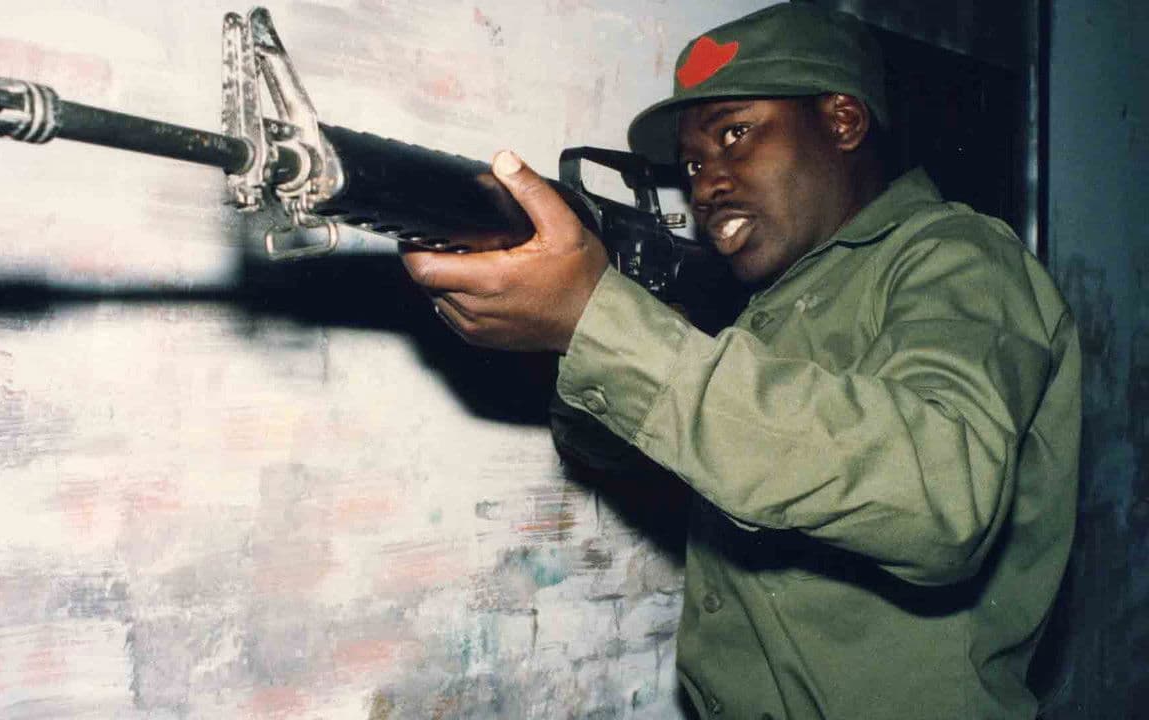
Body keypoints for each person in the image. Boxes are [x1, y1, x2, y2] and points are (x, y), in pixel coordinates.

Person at [402, 3, 1080, 718]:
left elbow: (938, 500)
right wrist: (587, 332)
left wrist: (601, 322)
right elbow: (609, 451)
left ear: (843, 122)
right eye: (693, 164)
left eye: (735, 134)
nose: (706, 186)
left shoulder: (958, 257)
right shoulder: (765, 303)